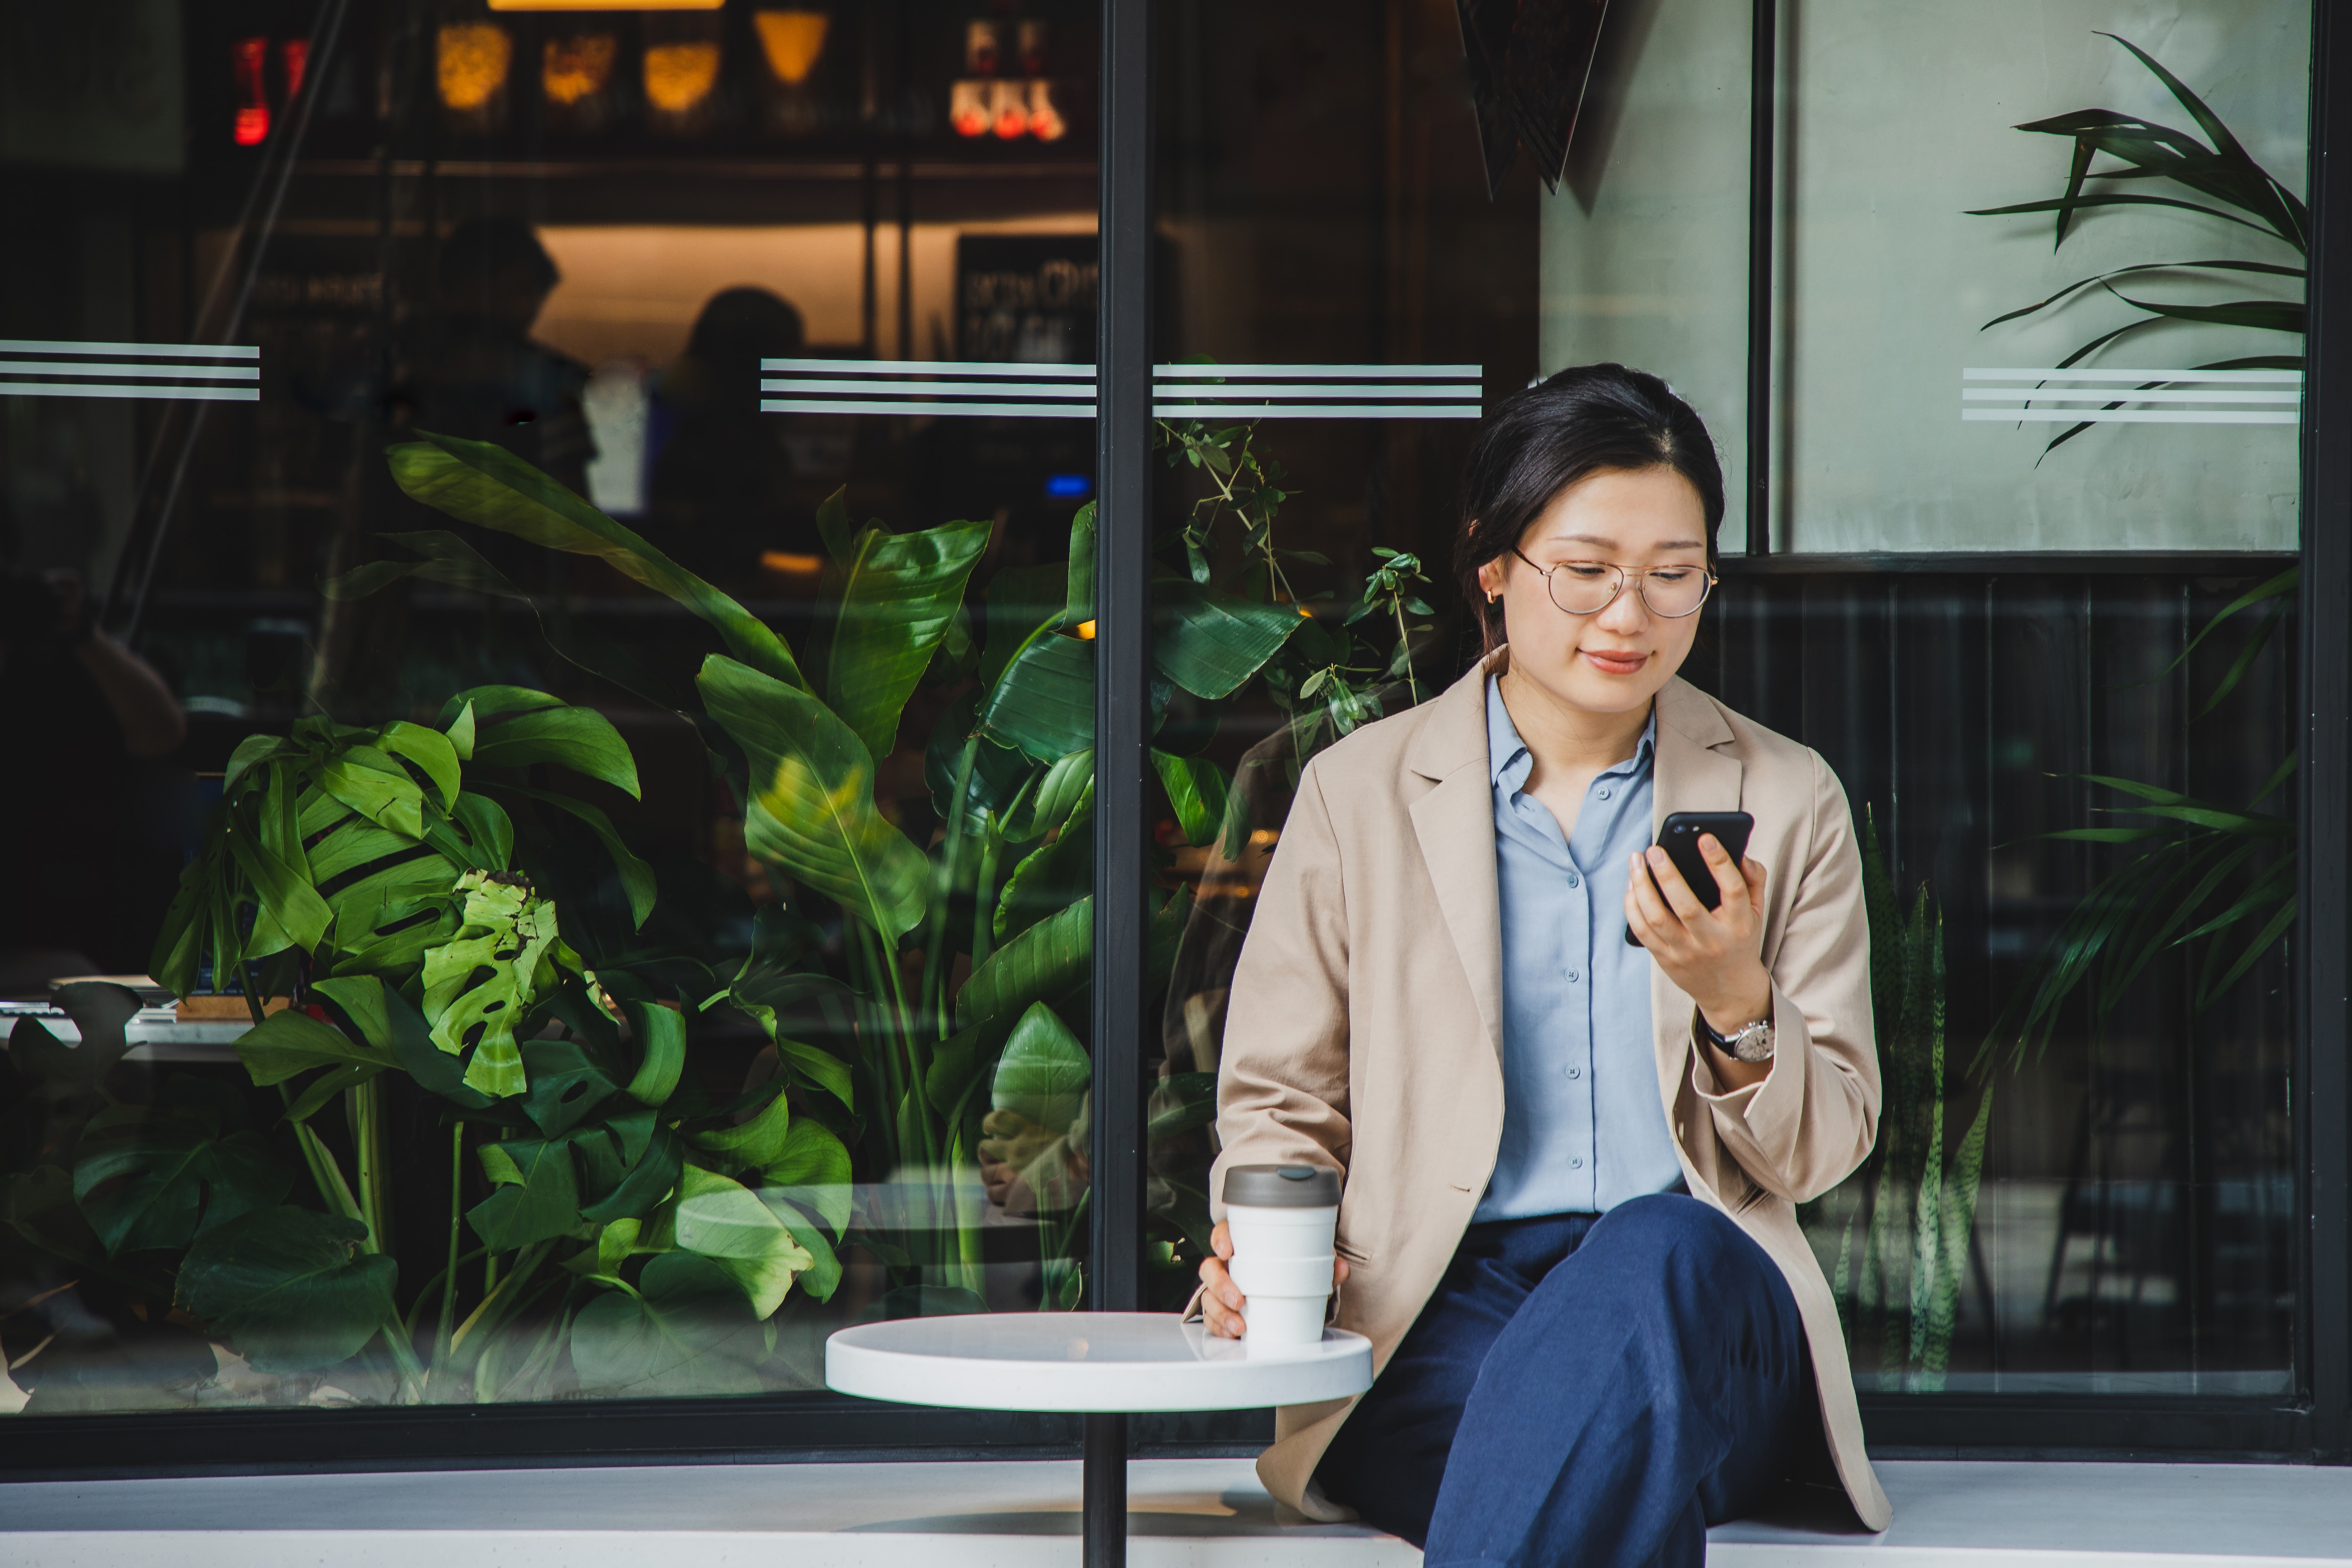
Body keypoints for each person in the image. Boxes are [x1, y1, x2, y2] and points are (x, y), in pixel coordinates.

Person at [1196, 364, 1890, 1566]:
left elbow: (1820, 1153)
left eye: (1673, 576)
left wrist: (1736, 998)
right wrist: (1255, 1251)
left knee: (1652, 1248)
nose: (1629, 615)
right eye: (1586, 570)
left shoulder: (1783, 796)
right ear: (1493, 567)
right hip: (1436, 1303)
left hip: (1702, 1302)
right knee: (1593, 1458)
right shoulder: (1357, 794)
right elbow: (1278, 1101)